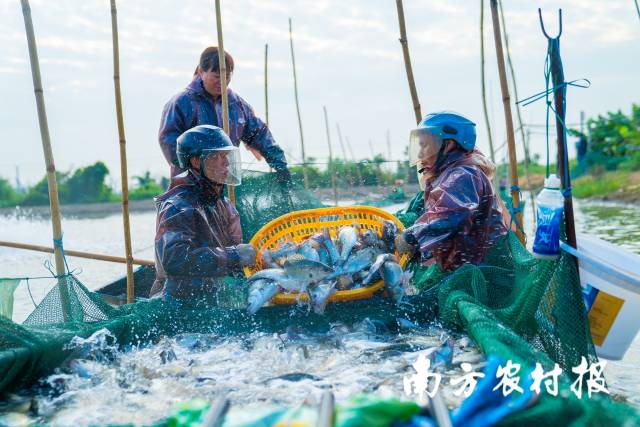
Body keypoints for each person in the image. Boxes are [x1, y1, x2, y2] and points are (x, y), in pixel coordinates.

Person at [151, 125, 258, 301]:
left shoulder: (223, 203)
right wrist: (233, 255)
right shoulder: (178, 206)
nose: (226, 163)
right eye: (216, 156)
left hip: (214, 297)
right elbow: (175, 259)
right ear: (195, 162)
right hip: (179, 302)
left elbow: (234, 249)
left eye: (226, 156)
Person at [395, 112, 508, 272]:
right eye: (419, 146)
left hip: (480, 272)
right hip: (464, 269)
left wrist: (411, 237)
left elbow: (452, 217)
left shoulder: (463, 175)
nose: (420, 154)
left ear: (448, 145)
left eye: (425, 145)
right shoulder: (447, 173)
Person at [159, 46, 290, 183]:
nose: (222, 82)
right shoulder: (182, 103)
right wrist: (193, 171)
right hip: (192, 185)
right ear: (201, 71)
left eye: (227, 76)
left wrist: (279, 163)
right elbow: (169, 141)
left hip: (226, 181)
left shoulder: (237, 104)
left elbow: (259, 133)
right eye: (217, 76)